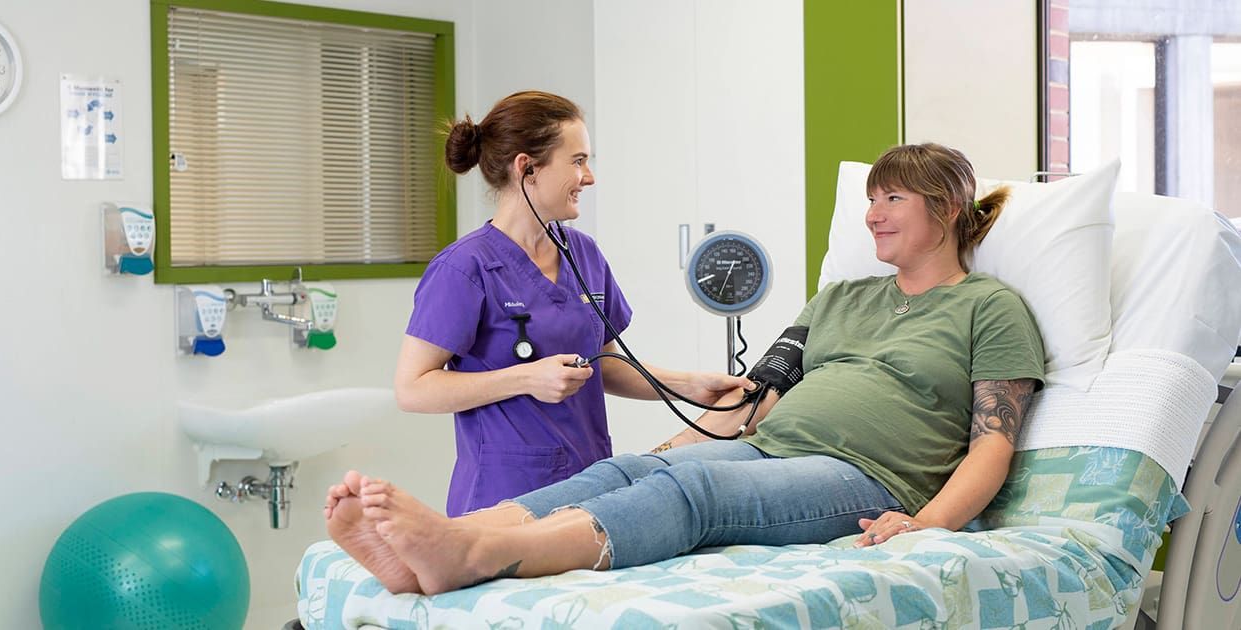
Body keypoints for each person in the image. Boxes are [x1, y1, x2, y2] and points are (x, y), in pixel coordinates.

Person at [326, 142, 1046, 596]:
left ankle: (478, 553)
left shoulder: (989, 308)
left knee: (692, 488)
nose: (871, 216)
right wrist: (665, 449)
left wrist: (925, 523)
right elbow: (758, 396)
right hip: (768, 448)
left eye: (892, 199)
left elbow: (992, 443)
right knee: (630, 472)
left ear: (947, 208)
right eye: (869, 200)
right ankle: (441, 543)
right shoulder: (840, 297)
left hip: (866, 475)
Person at [394, 90, 751, 517]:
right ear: (527, 168)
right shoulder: (465, 268)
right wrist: (524, 379)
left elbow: (603, 363)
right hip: (503, 498)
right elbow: (412, 388)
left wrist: (689, 385)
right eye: (578, 161)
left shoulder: (582, 254)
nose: (590, 177)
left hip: (590, 488)